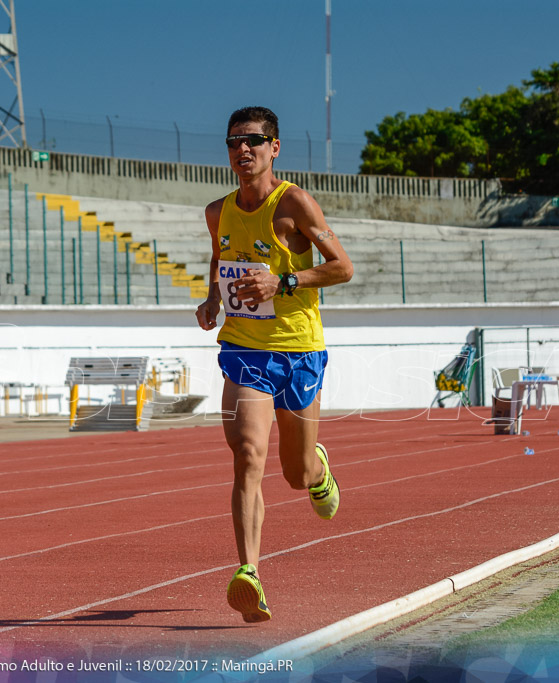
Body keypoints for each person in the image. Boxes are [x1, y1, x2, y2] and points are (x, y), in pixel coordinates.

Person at [195, 106, 353, 623]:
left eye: (255, 141)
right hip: (244, 349)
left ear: (275, 147)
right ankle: (249, 573)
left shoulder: (296, 205)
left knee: (294, 472)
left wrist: (282, 282)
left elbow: (342, 268)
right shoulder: (217, 212)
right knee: (247, 453)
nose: (244, 150)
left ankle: (317, 470)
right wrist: (213, 300)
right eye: (234, 141)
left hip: (299, 349)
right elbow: (222, 257)